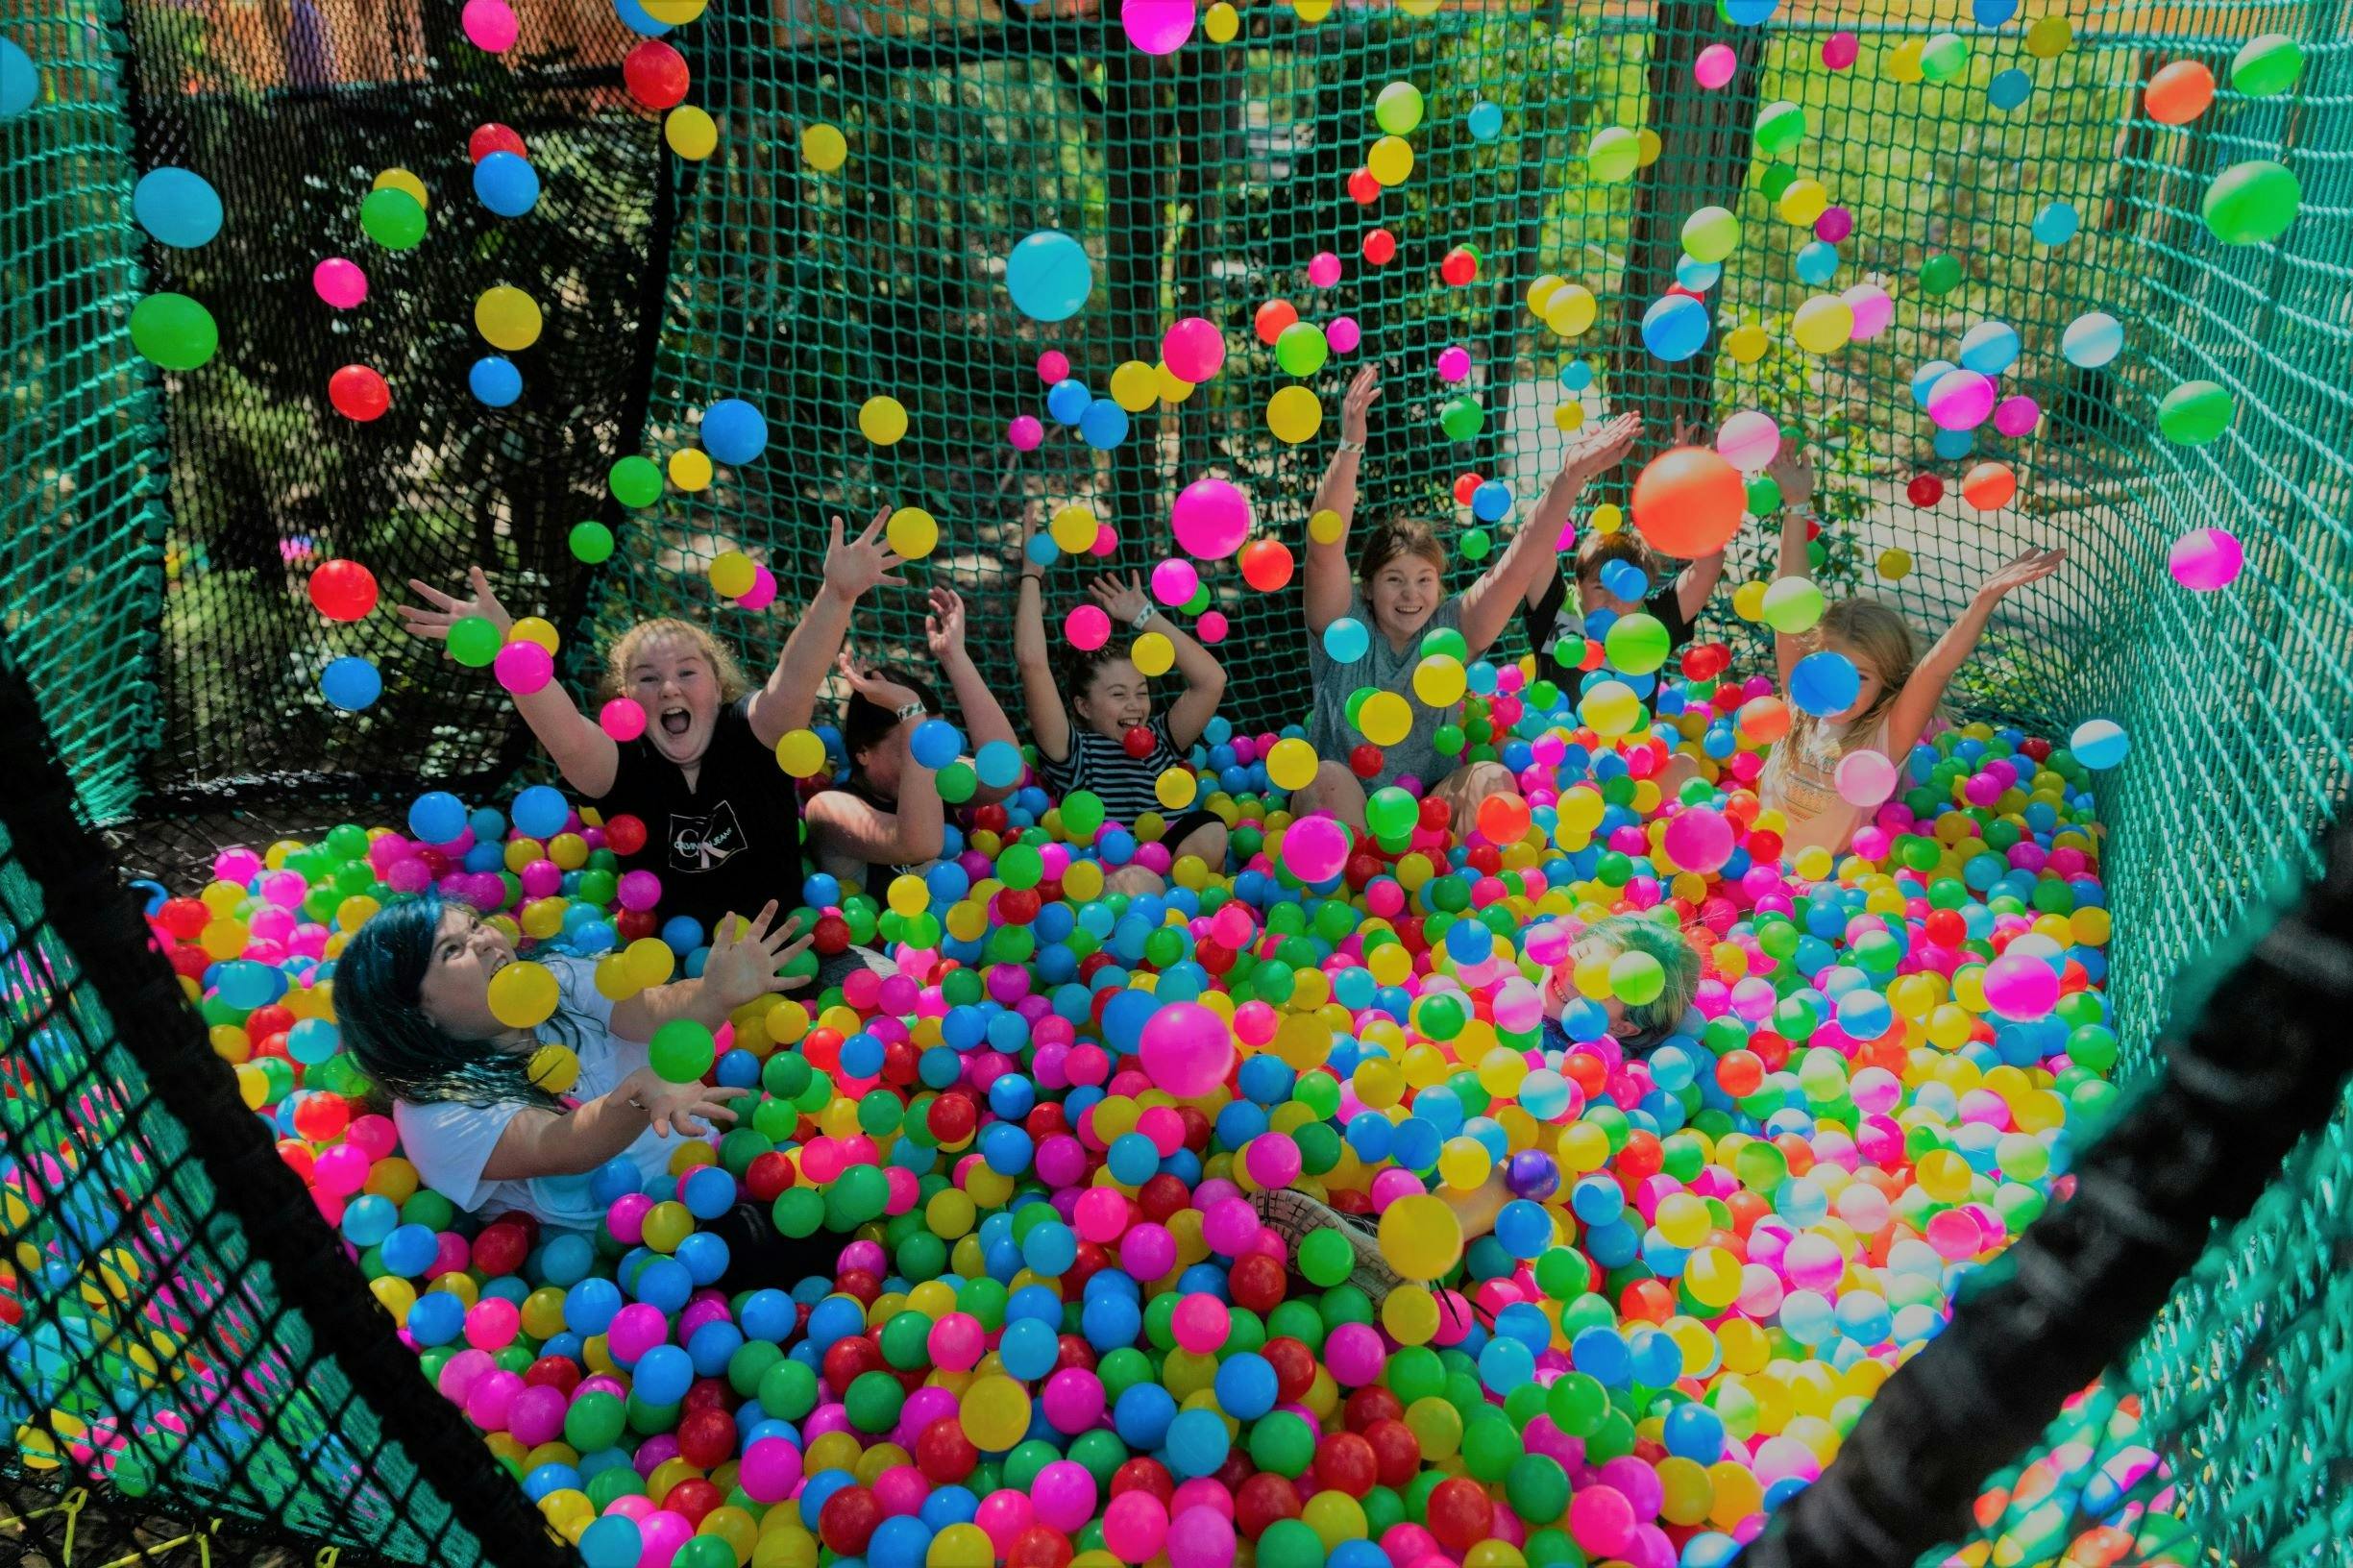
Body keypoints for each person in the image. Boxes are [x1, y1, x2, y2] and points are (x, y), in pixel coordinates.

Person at [399, 508, 907, 947]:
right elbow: (565, 731)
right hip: (674, 979)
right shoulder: (620, 765)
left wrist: (838, 596)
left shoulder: (756, 734)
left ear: (718, 684)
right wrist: (509, 646)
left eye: (687, 672)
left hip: (792, 950)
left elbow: (795, 676)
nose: (668, 688)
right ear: (625, 699)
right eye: (647, 678)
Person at [334, 895, 840, 1287]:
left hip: (715, 1157)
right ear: (418, 1012)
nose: (486, 941)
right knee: (775, 1247)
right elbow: (558, 1145)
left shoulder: (554, 980)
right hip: (630, 1240)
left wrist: (712, 995)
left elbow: (652, 1011)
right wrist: (640, 1096)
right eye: (453, 951)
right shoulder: (436, 1109)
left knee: (826, 1199)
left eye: (474, 926)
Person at [1257, 914, 1703, 1309]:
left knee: (1518, 1172)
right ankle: (1305, 1178)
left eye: (1594, 980)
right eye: (1576, 955)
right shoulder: (1496, 987)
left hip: (1474, 1161)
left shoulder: (1593, 1065)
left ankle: (1404, 1247)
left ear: (1622, 1025)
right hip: (1402, 1124)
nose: (1568, 972)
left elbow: (1568, 1137)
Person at [1294, 365, 1643, 835]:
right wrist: (1351, 445)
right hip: (1349, 806)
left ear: (1439, 586)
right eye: (1394, 579)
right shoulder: (1344, 628)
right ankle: (1354, 901)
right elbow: (1323, 547)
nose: (1410, 594)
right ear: (1369, 586)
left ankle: (1465, 905)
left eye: (1423, 579)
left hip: (1428, 815)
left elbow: (1518, 564)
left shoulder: (1452, 629)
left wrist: (1571, 474)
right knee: (1327, 777)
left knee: (1494, 777)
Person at [1759, 451, 2067, 860]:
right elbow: (1791, 606)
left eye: (1861, 677)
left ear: (1887, 681)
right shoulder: (1800, 699)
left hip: (1831, 889)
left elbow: (1935, 670)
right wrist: (1796, 506)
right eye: (1832, 668)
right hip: (1755, 867)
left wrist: (1984, 599)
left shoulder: (1884, 736)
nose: (1839, 688)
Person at [1013, 532, 1230, 894]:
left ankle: (1206, 921)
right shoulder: (1075, 753)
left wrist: (1145, 616)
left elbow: (1211, 680)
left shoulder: (1162, 738)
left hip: (1178, 878)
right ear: (1083, 706)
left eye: (1141, 693)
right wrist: (1031, 575)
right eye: (1118, 694)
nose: (1134, 705)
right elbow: (1033, 664)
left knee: (1211, 830)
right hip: (1114, 880)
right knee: (1141, 881)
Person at [806, 586, 1018, 898]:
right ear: (863, 751)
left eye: (936, 744)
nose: (932, 759)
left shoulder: (937, 772)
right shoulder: (830, 808)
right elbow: (919, 843)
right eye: (912, 740)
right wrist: (910, 712)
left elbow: (1007, 774)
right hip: (887, 947)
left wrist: (954, 656)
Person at [1519, 420, 1727, 691]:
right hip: (1558, 733)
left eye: (1628, 588)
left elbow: (1709, 566)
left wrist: (1685, 477)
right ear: (1578, 584)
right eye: (1600, 586)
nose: (1612, 600)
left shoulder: (1653, 620)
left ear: (1643, 593)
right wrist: (1576, 474)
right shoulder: (1557, 608)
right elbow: (1534, 542)